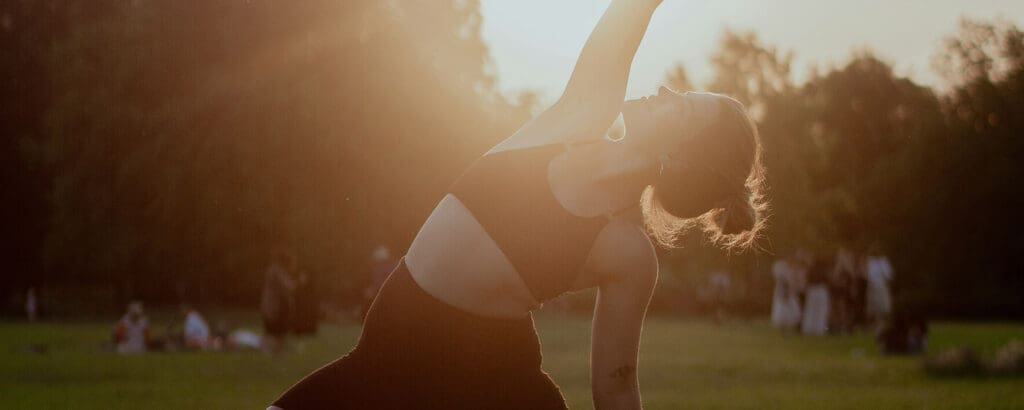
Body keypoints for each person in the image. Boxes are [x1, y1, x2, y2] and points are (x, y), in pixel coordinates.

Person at [270, 1, 767, 408]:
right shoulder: (576, 118)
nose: (664, 88)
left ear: (681, 159)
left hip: (487, 390)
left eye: (680, 105)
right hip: (379, 365)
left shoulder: (627, 252)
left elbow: (615, 388)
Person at [261, 249, 298, 352]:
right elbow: (289, 286)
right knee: (274, 330)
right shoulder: (277, 271)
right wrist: (300, 282)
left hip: (272, 306)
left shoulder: (274, 269)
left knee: (274, 330)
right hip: (273, 307)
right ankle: (271, 351)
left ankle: (273, 350)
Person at [771, 253, 804, 331]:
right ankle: (784, 328)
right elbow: (782, 280)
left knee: (792, 309)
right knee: (783, 310)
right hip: (783, 291)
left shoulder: (791, 266)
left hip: (791, 290)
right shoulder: (780, 266)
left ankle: (790, 328)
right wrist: (785, 292)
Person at [801, 255, 830, 336]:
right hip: (821, 290)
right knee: (821, 311)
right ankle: (819, 330)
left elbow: (807, 281)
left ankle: (809, 329)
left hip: (812, 290)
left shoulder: (810, 269)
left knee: (810, 310)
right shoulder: (824, 270)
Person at [864, 244, 894, 326]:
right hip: (873, 287)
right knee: (874, 309)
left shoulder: (884, 261)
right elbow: (868, 276)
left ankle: (886, 324)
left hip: (882, 287)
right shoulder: (870, 262)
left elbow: (889, 276)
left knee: (885, 308)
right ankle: (877, 324)